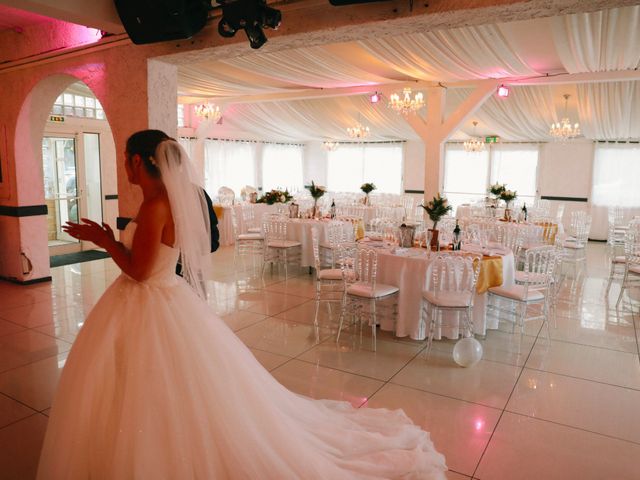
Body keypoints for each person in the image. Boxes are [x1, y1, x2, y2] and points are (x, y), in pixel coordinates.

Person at [37, 130, 447, 479]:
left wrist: (106, 241)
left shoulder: (154, 205)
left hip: (150, 299)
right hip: (167, 299)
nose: (124, 167)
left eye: (127, 159)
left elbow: (141, 272)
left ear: (141, 162)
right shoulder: (170, 201)